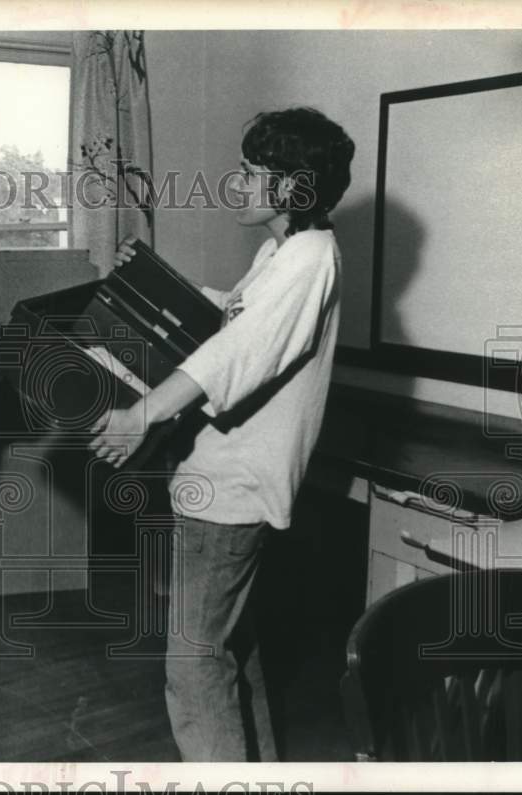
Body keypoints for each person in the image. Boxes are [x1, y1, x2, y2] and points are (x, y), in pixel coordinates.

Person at [90, 107, 355, 761]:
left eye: (250, 172)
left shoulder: (309, 260)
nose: (236, 184)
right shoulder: (283, 251)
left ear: (291, 186)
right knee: (231, 652)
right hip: (221, 483)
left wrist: (142, 414)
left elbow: (235, 352)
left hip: (230, 492)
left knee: (193, 670)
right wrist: (146, 275)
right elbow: (230, 316)